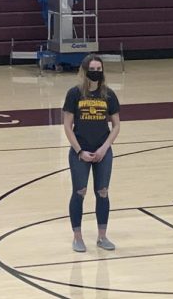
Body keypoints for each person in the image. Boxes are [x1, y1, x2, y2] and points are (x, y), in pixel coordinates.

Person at [62, 54, 121, 252]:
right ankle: (77, 237)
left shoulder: (109, 95)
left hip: (103, 152)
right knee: (80, 192)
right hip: (80, 152)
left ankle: (102, 236)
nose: (96, 73)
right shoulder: (74, 94)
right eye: (92, 69)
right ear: (85, 71)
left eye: (99, 69)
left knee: (102, 192)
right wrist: (79, 151)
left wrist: (104, 148)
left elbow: (116, 125)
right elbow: (68, 126)